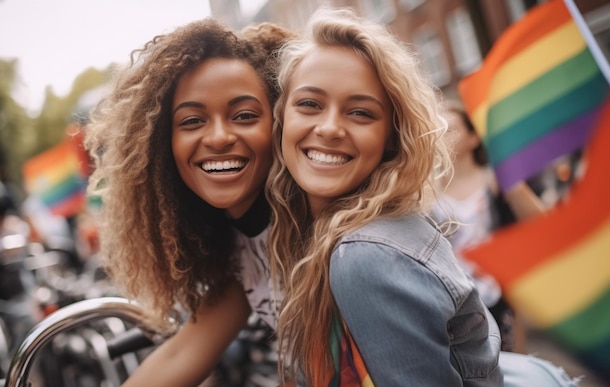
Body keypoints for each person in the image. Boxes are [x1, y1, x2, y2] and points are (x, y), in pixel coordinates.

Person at [265, 8, 579, 387]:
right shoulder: (330, 237)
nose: (330, 127)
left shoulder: (365, 254)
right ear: (282, 118)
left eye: (361, 113)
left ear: (391, 138)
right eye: (310, 104)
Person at [83, 17, 294, 386]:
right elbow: (183, 352)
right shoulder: (243, 249)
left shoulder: (322, 231)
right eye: (192, 121)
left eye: (244, 116)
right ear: (164, 146)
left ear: (280, 123)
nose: (217, 137)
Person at [432, 99, 546, 352]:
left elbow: (540, 222)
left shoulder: (494, 179)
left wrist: (514, 186)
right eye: (436, 128)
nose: (442, 135)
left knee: (512, 366)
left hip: (499, 295)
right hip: (455, 303)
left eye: (450, 129)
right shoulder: (426, 193)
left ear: (473, 138)